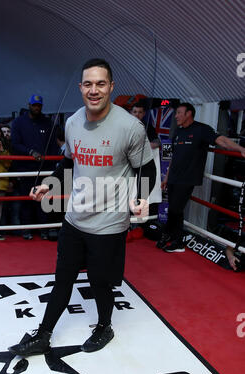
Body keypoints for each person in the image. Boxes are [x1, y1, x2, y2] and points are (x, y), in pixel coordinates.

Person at [8, 58, 156, 356]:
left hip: (109, 224)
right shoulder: (73, 122)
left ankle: (105, 326)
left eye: (101, 83)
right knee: (62, 278)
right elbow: (68, 162)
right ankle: (43, 334)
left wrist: (140, 198)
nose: (94, 90)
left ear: (111, 87)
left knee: (100, 282)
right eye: (88, 84)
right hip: (75, 221)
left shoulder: (131, 127)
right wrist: (49, 184)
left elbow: (147, 170)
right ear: (80, 88)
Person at [157, 103, 245, 253]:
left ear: (189, 114)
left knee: (175, 208)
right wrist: (166, 177)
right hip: (173, 177)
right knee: (174, 209)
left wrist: (241, 148)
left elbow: (222, 141)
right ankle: (169, 235)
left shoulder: (202, 130)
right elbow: (174, 157)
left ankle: (177, 242)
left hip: (188, 177)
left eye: (179, 113)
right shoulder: (178, 131)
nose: (176, 116)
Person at [11, 95, 60, 240]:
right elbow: (15, 144)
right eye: (34, 105)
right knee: (27, 200)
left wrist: (50, 164)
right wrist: (30, 152)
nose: (36, 108)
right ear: (29, 105)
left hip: (45, 168)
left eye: (39, 105)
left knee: (44, 200)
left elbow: (52, 145)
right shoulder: (19, 122)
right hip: (26, 168)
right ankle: (27, 229)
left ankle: (43, 229)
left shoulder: (48, 123)